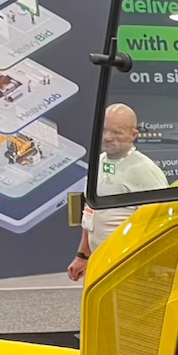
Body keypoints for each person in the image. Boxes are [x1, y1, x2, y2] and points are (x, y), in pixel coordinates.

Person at [67, 103, 168, 282]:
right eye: (104, 130)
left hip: (131, 269)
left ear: (133, 135)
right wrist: (82, 256)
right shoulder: (98, 163)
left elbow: (163, 226)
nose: (107, 137)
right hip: (101, 264)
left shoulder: (145, 171)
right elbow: (90, 213)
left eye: (116, 132)